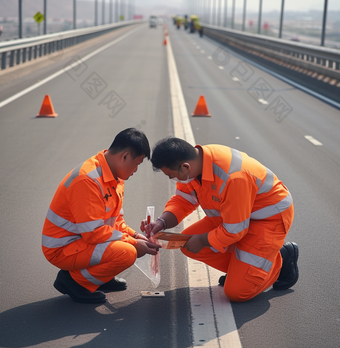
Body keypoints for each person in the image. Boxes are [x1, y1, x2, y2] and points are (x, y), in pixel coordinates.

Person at [141, 137, 298, 303]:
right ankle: (243, 270)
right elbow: (183, 200)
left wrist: (202, 240)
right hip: (233, 218)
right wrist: (161, 222)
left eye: (171, 176)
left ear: (185, 167)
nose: (173, 180)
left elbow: (235, 230)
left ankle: (279, 259)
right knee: (186, 244)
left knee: (237, 292)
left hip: (266, 220)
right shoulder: (195, 165)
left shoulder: (233, 176)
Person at [42, 128, 160, 304]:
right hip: (62, 248)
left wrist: (135, 235)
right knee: (127, 253)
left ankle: (100, 277)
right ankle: (73, 281)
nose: (135, 170)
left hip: (81, 240)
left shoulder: (115, 177)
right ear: (125, 156)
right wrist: (133, 242)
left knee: (131, 247)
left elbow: (115, 221)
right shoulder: (87, 180)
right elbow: (94, 233)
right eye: (137, 163)